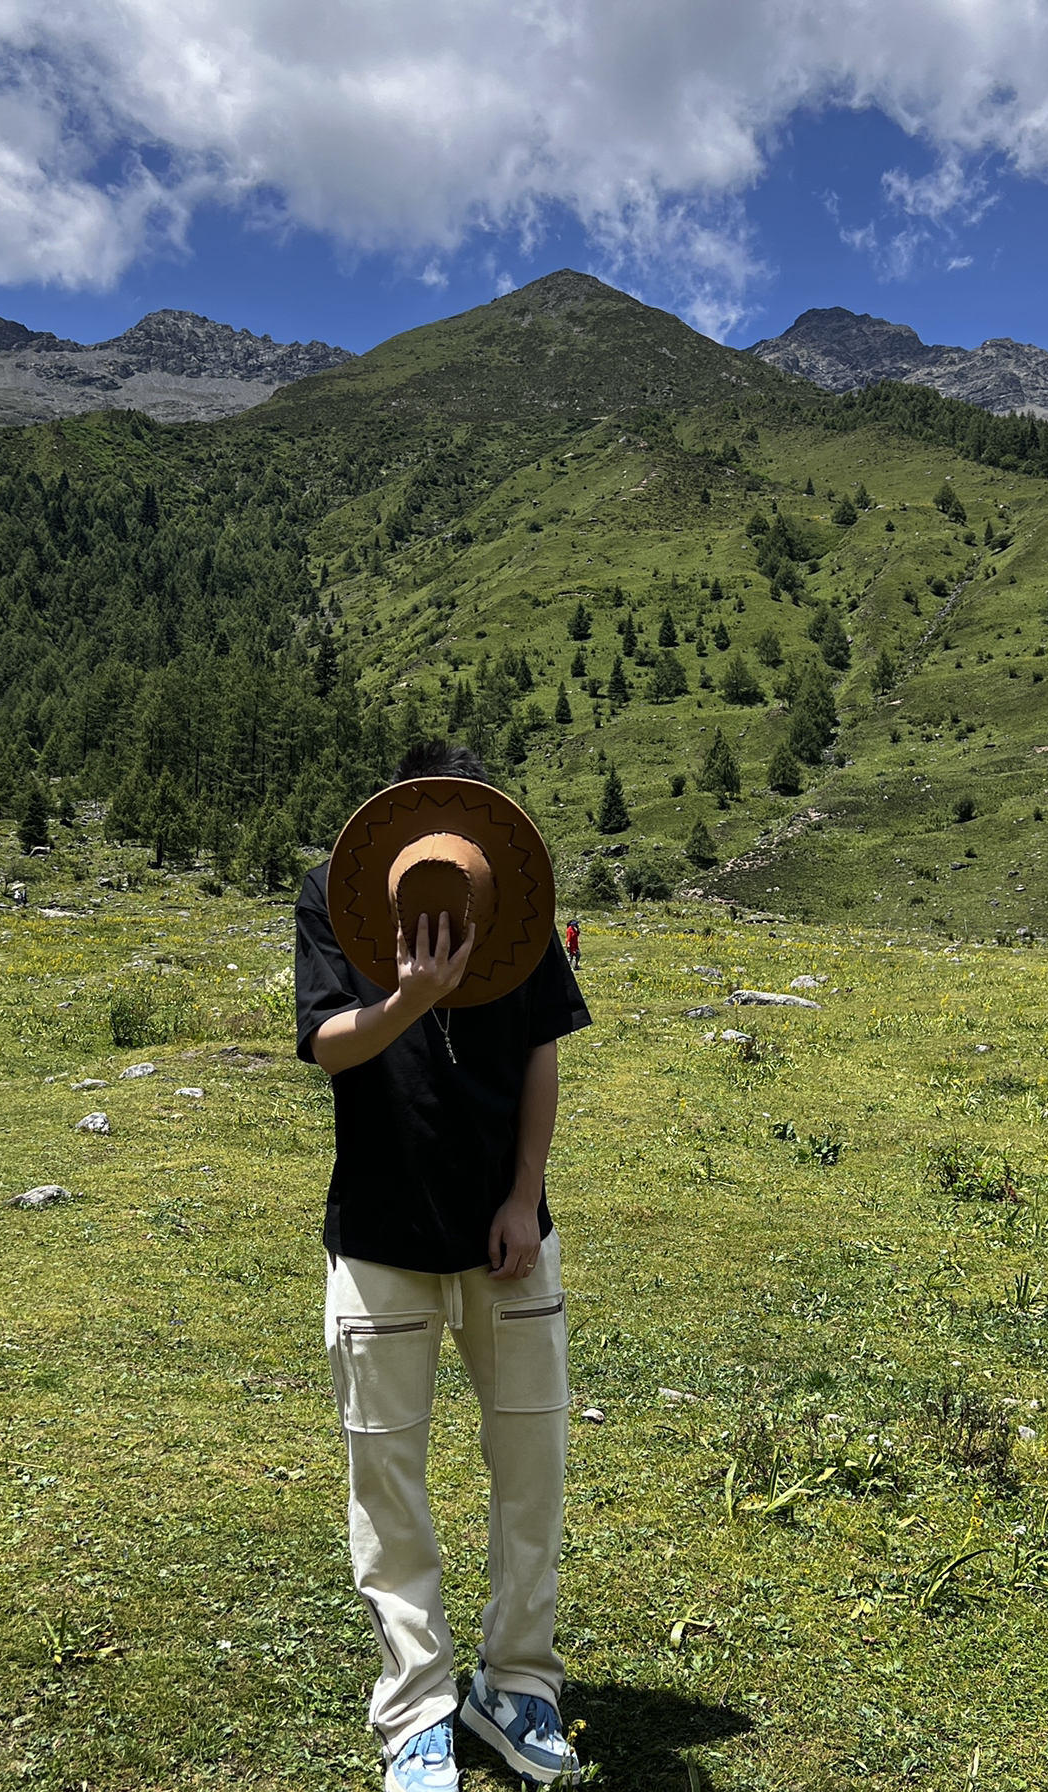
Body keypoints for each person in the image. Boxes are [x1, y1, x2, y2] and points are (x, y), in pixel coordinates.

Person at [296, 741, 592, 1792]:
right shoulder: (333, 897)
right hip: (381, 1237)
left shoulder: (518, 896)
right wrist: (410, 999)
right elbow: (326, 1042)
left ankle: (517, 1686)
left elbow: (543, 1048)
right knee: (387, 1481)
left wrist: (522, 1193)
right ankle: (416, 1709)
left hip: (509, 1238)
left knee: (532, 1467)